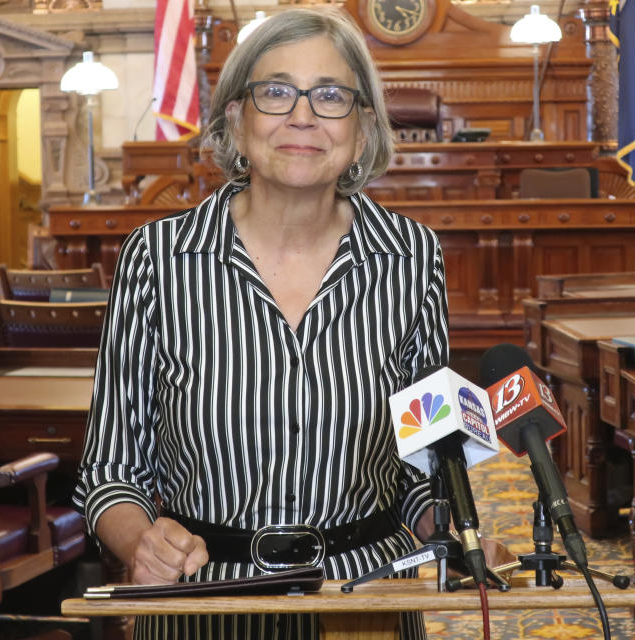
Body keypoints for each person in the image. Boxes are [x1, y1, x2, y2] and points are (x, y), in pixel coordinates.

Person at [74, 7, 503, 639]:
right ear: (235, 122)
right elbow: (111, 472)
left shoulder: (412, 260)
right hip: (205, 598)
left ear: (361, 132)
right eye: (275, 91)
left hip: (364, 600)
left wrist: (452, 529)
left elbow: (427, 463)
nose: (302, 115)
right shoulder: (158, 260)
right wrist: (142, 542)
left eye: (330, 96)